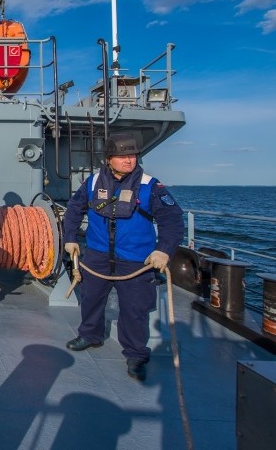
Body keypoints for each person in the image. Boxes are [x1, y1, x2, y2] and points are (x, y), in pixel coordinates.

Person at [62, 133, 184, 381]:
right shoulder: (93, 182)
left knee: (135, 308)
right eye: (123, 156)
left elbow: (172, 220)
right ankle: (90, 334)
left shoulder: (150, 185)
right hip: (97, 255)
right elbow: (75, 209)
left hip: (136, 259)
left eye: (133, 155)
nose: (129, 160)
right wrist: (70, 238)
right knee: (91, 298)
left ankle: (136, 353)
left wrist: (164, 250)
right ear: (109, 159)